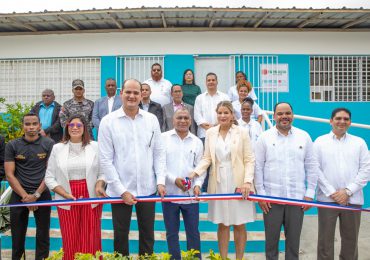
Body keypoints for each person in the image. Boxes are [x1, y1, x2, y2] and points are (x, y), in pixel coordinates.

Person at [99, 79, 166, 257]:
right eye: (128, 92)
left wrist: (160, 181)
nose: (132, 96)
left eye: (136, 92)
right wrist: (121, 191)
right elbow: (105, 160)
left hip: (148, 188)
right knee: (120, 237)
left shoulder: (151, 120)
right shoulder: (108, 122)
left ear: (142, 95)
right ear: (121, 94)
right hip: (120, 191)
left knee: (147, 236)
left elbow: (159, 153)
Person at [190, 101, 255, 260]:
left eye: (226, 112)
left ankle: (239, 258)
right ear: (216, 114)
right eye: (220, 113)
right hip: (218, 181)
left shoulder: (242, 132)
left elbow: (249, 159)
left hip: (238, 182)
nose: (223, 116)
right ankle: (223, 257)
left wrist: (247, 181)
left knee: (239, 223)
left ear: (232, 115)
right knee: (223, 224)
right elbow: (207, 158)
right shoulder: (211, 133)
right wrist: (195, 173)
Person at [254, 102, 319, 260]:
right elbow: (257, 167)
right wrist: (261, 195)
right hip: (271, 200)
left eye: (288, 113)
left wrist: (310, 194)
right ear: (274, 116)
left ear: (293, 115)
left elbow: (312, 166)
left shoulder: (304, 137)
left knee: (293, 244)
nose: (284, 117)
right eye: (280, 114)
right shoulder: (264, 138)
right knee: (271, 244)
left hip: (296, 200)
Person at [45, 114, 106, 260]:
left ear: (85, 128)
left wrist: (99, 184)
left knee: (91, 237)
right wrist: (64, 194)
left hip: (90, 195)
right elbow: (49, 177)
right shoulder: (57, 148)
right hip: (66, 196)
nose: (75, 128)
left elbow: (103, 172)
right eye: (71, 125)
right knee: (70, 237)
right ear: (67, 128)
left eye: (79, 125)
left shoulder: (95, 146)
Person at [314, 108, 370, 260]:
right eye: (338, 118)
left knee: (350, 242)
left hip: (352, 200)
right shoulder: (319, 142)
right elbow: (315, 170)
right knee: (325, 242)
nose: (342, 122)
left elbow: (366, 170)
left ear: (350, 122)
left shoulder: (359, 143)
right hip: (327, 200)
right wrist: (333, 193)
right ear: (331, 121)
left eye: (346, 119)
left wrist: (347, 191)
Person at [4, 113, 54, 260]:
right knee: (17, 237)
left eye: (34, 124)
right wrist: (25, 196)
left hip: (42, 194)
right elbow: (9, 174)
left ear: (40, 125)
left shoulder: (49, 144)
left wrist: (36, 195)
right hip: (19, 195)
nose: (31, 127)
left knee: (43, 235)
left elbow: (50, 173)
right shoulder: (12, 145)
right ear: (22, 126)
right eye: (27, 124)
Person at [162, 108, 205, 260]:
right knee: (172, 233)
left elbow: (201, 168)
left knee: (193, 233)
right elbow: (160, 166)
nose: (182, 120)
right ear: (173, 120)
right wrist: (174, 180)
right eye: (179, 117)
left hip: (191, 196)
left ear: (190, 120)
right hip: (169, 195)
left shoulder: (197, 142)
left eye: (186, 118)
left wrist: (198, 185)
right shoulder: (163, 138)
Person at [194, 72, 229, 191]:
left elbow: (227, 114)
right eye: (208, 80)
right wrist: (212, 128)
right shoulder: (199, 98)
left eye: (213, 80)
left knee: (220, 160)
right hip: (204, 134)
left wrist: (218, 127)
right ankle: (204, 189)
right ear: (205, 82)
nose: (211, 82)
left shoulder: (224, 97)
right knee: (206, 161)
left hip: (223, 133)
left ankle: (219, 188)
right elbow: (197, 117)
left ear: (217, 81)